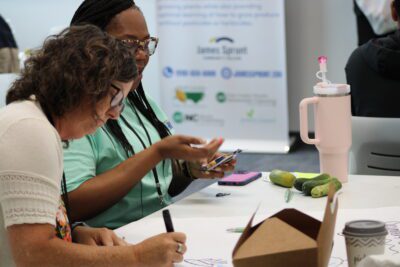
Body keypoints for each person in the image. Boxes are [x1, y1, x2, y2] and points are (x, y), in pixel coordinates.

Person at [0, 24, 187, 266]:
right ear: (85, 83)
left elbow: (23, 226)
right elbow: (34, 255)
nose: (115, 114)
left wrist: (75, 232)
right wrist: (136, 257)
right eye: (116, 98)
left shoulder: (35, 121)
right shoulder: (30, 129)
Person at [63, 0, 235, 229]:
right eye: (129, 44)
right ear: (90, 45)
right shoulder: (73, 110)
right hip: (112, 242)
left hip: (158, 227)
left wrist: (189, 169)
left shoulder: (140, 100)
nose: (143, 55)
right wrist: (156, 154)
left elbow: (158, 187)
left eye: (146, 43)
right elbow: (73, 204)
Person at [346, 0, 400, 117]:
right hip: (374, 69)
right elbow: (381, 19)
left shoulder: (356, 62)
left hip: (370, 64)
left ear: (394, 11)